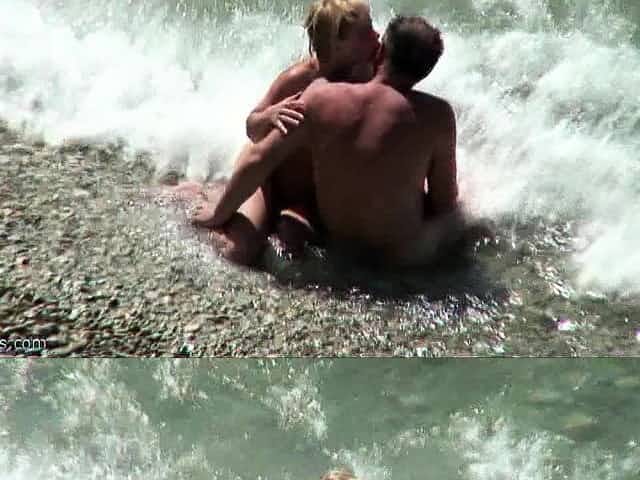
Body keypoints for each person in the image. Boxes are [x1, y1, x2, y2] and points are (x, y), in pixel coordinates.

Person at [193, 15, 465, 268]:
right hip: (396, 258)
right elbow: (445, 203)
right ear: (426, 71)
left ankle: (215, 198)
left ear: (381, 51)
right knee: (465, 201)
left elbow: (257, 158)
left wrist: (218, 214)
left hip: (338, 240)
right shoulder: (439, 116)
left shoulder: (322, 96)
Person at [172, 0, 380, 265]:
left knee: (293, 246)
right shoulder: (300, 77)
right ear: (338, 43)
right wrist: (269, 115)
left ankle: (227, 197)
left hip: (311, 195)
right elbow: (251, 127)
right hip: (267, 180)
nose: (376, 35)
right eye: (366, 31)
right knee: (239, 251)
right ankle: (208, 195)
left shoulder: (371, 76)